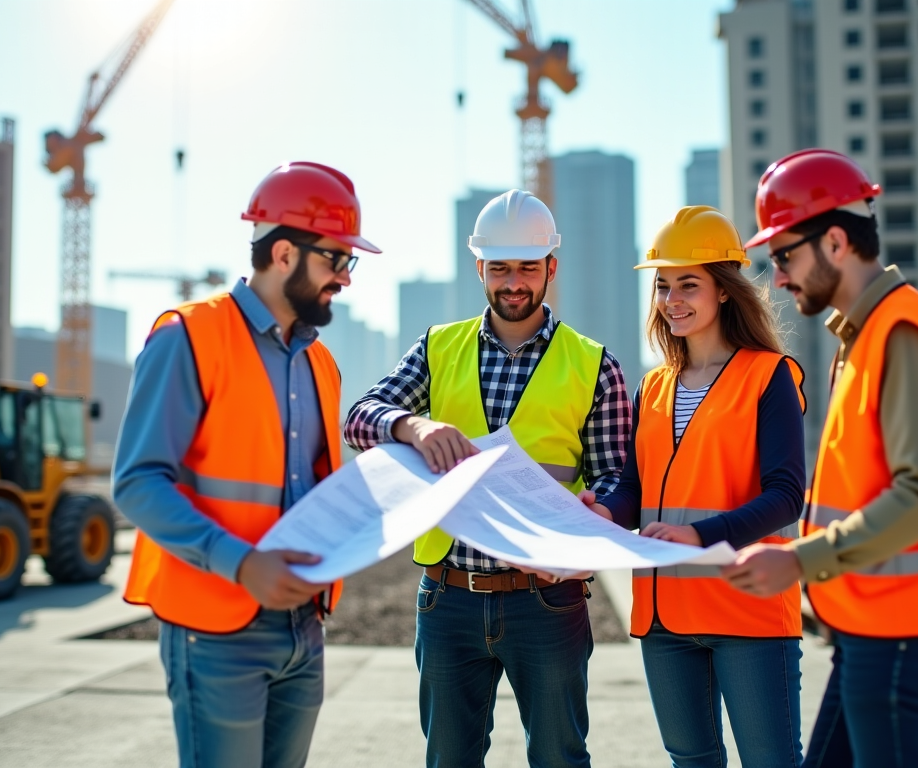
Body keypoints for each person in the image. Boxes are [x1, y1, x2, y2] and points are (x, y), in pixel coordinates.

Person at [719, 149, 918, 768]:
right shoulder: (864, 337)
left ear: (834, 243)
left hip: (912, 618)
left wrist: (801, 560)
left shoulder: (905, 338)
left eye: (785, 256)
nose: (778, 278)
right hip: (877, 616)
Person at [344, 189, 631, 768]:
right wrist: (412, 426)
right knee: (449, 760)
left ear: (552, 266)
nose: (514, 282)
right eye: (499, 268)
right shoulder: (436, 348)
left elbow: (619, 481)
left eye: (528, 267)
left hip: (547, 602)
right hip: (448, 599)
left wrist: (590, 524)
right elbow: (359, 418)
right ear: (479, 268)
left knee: (559, 758)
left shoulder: (594, 364)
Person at [114, 162, 381, 768]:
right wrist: (241, 562)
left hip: (302, 629)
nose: (344, 278)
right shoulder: (189, 337)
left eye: (348, 263)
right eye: (335, 260)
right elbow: (136, 483)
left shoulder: (322, 366)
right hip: (213, 629)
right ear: (284, 253)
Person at [590, 206, 807, 768]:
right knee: (691, 761)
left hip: (747, 609)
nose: (672, 299)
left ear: (726, 291)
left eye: (689, 284)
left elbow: (786, 496)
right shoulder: (653, 386)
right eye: (663, 285)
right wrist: (605, 513)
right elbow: (636, 488)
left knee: (771, 762)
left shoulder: (768, 375)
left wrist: (700, 536)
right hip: (666, 616)